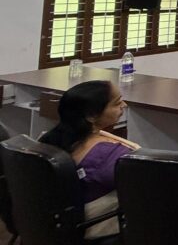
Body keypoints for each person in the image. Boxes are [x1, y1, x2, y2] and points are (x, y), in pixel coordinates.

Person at [39, 80, 137, 239]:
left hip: (50, 225)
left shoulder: (48, 140)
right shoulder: (109, 154)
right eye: (117, 103)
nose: (124, 105)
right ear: (91, 116)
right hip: (90, 228)